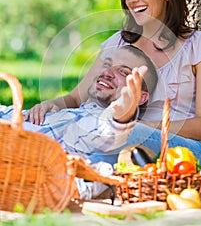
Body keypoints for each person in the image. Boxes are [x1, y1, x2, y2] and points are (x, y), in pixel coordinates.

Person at [25, 0, 201, 170]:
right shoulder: (117, 43)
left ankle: (80, 175)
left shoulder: (199, 46)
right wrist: (50, 105)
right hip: (113, 137)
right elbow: (75, 97)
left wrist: (131, 125)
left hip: (186, 150)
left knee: (119, 135)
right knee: (57, 123)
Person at [1, 45, 157, 158]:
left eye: (123, 72)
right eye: (107, 65)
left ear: (141, 98)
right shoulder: (71, 112)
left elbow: (105, 133)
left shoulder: (94, 123)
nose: (107, 73)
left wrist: (122, 115)